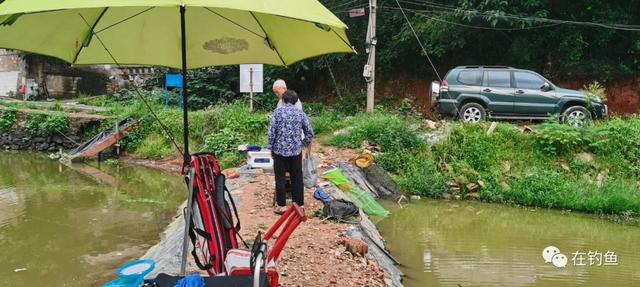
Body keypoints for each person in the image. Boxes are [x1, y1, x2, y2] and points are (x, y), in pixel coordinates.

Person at [268, 90, 314, 214]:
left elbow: (271, 133)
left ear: (283, 100)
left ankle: (281, 206)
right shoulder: (300, 113)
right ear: (295, 101)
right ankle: (299, 206)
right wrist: (302, 144)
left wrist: (271, 147)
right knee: (297, 178)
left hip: (279, 151)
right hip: (295, 152)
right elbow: (310, 132)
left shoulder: (277, 113)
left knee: (280, 178)